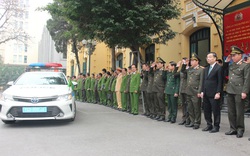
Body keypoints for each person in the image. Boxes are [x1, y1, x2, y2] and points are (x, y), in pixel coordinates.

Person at [224, 46, 250, 138]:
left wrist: (244, 91)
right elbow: (223, 71)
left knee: (239, 112)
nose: (233, 57)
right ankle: (233, 128)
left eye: (234, 55)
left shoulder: (245, 65)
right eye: (232, 55)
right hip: (230, 90)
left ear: (240, 55)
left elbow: (247, 79)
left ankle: (240, 129)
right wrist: (226, 62)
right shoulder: (231, 65)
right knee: (231, 111)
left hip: (239, 91)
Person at [200, 52, 223, 133]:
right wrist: (202, 91)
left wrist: (218, 92)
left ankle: (216, 126)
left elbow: (220, 81)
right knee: (206, 110)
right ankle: (209, 125)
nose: (208, 59)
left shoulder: (218, 68)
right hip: (206, 92)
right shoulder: (206, 69)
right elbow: (204, 81)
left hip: (214, 93)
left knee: (215, 110)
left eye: (210, 57)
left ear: (215, 58)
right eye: (207, 57)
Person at [181, 53, 204, 129]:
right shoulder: (190, 69)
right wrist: (184, 63)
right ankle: (192, 121)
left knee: (196, 108)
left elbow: (201, 82)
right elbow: (183, 71)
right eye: (191, 60)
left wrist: (199, 92)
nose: (191, 62)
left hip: (195, 91)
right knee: (190, 108)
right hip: (188, 91)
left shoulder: (201, 70)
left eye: (193, 60)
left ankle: (197, 122)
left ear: (197, 61)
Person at [175, 58, 190, 125]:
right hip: (181, 90)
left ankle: (188, 119)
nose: (184, 62)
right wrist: (177, 67)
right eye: (183, 61)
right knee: (183, 105)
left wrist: (184, 65)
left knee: (188, 105)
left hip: (187, 90)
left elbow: (184, 71)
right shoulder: (182, 70)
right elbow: (174, 75)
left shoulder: (190, 69)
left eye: (185, 61)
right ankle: (184, 118)